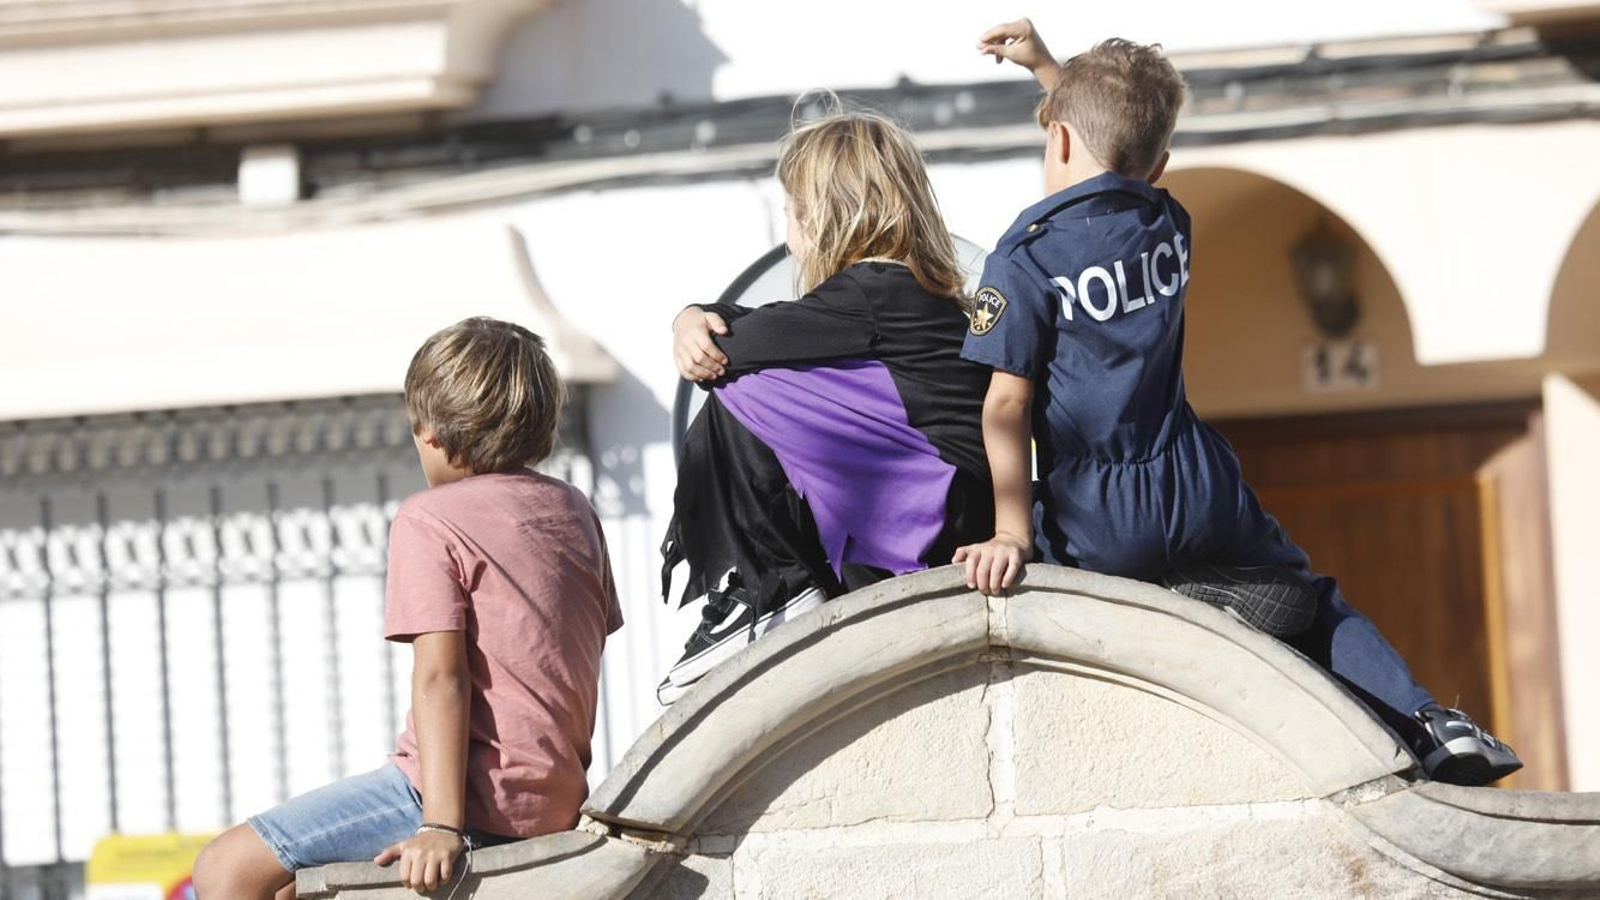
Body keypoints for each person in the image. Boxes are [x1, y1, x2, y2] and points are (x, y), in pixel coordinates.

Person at [953, 20, 1521, 786]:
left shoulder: (1024, 261)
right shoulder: (1164, 224)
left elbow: (1004, 408)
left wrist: (1011, 532)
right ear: (1159, 166)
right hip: (1197, 485)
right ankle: (1427, 723)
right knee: (1309, 603)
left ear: (1055, 138)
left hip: (1096, 509)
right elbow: (1110, 148)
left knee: (1067, 622)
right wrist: (1052, 70)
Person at [193, 317, 623, 899]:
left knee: (226, 868)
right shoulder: (574, 511)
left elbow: (443, 677)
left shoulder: (430, 518)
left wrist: (441, 826)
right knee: (292, 892)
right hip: (551, 799)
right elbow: (572, 654)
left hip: (455, 797)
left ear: (431, 433)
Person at [659, 108, 994, 704]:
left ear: (824, 217)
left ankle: (768, 586)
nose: (789, 236)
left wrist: (692, 321)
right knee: (781, 391)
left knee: (742, 393)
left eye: (790, 214)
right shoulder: (916, 294)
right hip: (956, 505)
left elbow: (739, 350)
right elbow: (775, 331)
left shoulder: (869, 292)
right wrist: (694, 315)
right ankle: (784, 584)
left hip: (938, 513)